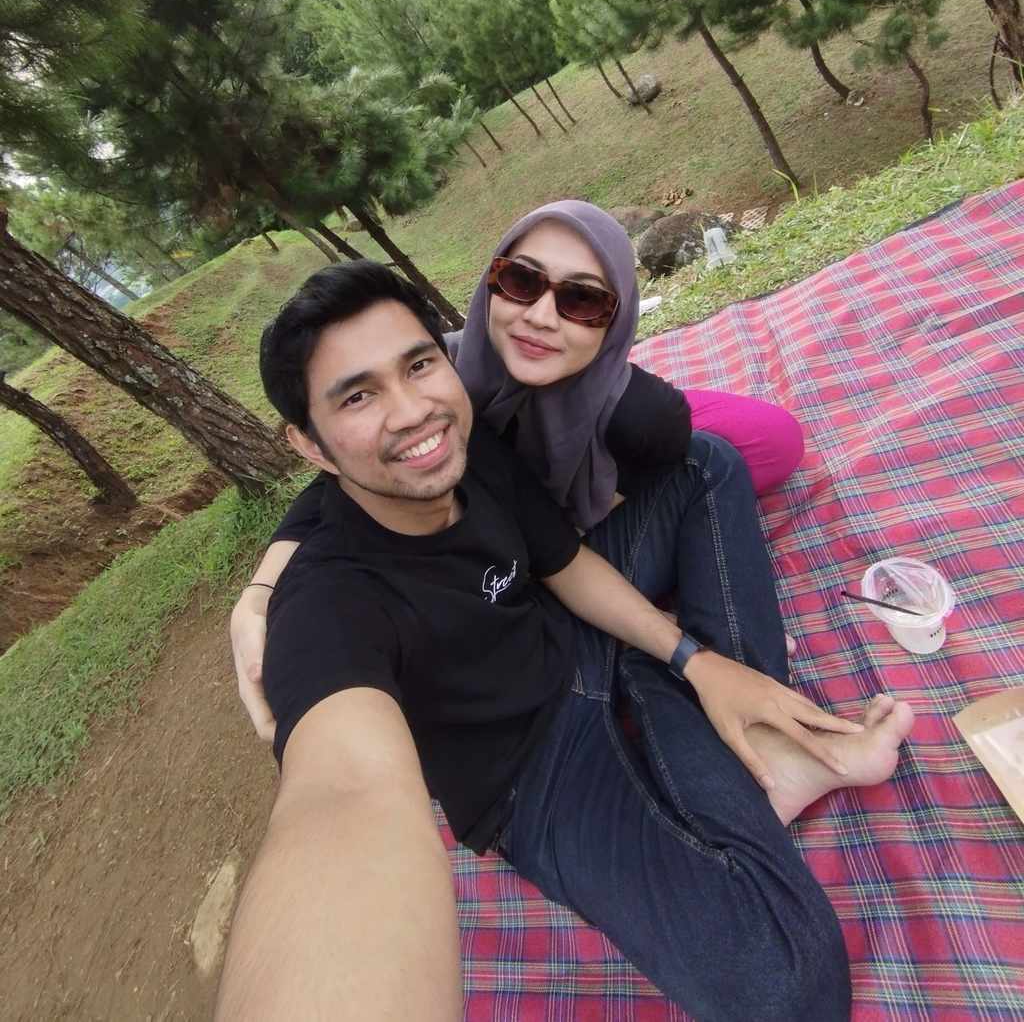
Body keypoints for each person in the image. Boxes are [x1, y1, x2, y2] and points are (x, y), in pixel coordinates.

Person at [215, 260, 914, 1021]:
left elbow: (566, 562)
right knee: (791, 993)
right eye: (358, 395)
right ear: (310, 445)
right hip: (535, 772)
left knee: (704, 465)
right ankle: (732, 751)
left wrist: (696, 659)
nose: (413, 410)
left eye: (417, 365)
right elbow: (343, 797)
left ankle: (751, 735)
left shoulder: (465, 443)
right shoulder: (324, 608)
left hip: (566, 633)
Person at [231, 201, 805, 741]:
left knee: (740, 450)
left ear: (617, 321)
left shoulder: (640, 415)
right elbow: (341, 477)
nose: (540, 317)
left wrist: (598, 506)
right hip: (535, 554)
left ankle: (749, 697)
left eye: (583, 300)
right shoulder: (438, 379)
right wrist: (257, 594)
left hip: (589, 448)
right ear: (492, 284)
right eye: (522, 282)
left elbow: (719, 465)